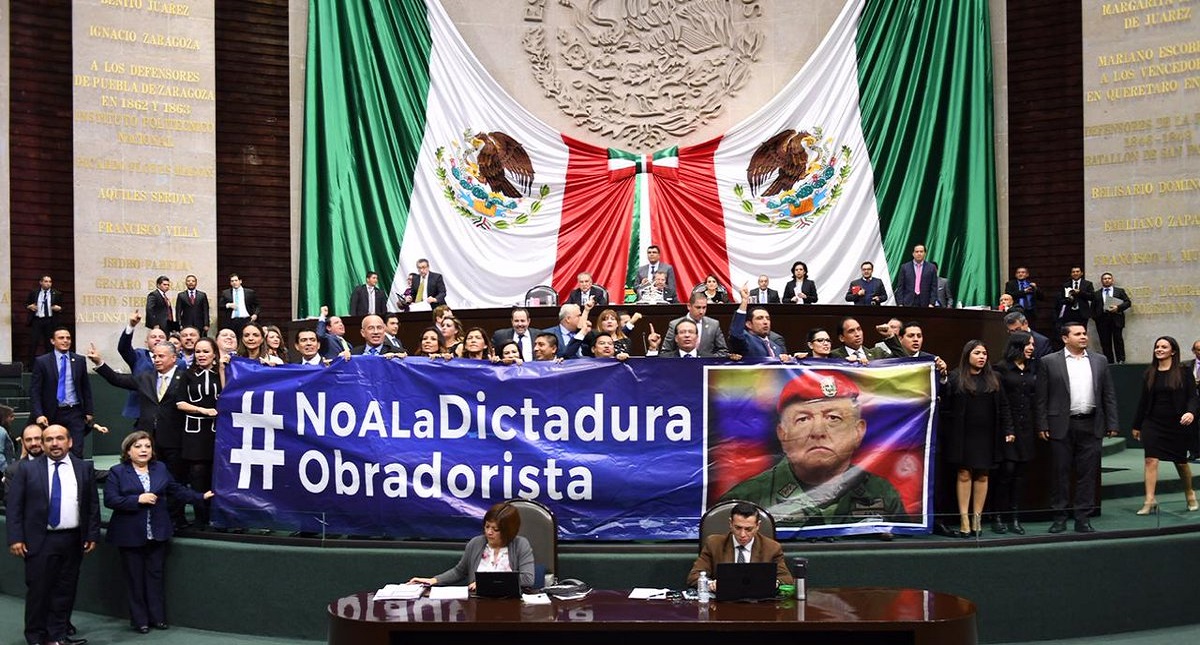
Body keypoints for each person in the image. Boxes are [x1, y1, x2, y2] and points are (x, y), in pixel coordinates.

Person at [720, 371, 908, 526]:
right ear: (782, 434)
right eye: (803, 419)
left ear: (858, 431)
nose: (818, 432)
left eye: (833, 418)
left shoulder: (882, 493)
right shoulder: (746, 498)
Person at [104, 431, 213, 633]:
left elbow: (176, 490)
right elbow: (110, 500)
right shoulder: (117, 471)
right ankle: (140, 621)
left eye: (147, 446)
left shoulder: (160, 468)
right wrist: (137, 499)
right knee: (135, 579)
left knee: (155, 576)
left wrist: (200, 497)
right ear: (128, 451)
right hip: (129, 534)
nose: (144, 450)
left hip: (157, 532)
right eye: (138, 446)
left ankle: (157, 618)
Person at [6, 424, 101, 645]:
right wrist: (15, 537)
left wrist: (92, 534)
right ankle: (36, 638)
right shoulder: (27, 469)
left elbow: (92, 505)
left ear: (70, 442)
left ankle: (58, 636)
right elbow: (14, 506)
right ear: (43, 443)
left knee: (65, 590)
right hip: (40, 540)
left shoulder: (83, 468)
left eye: (60, 438)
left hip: (73, 539)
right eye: (49, 439)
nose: (54, 443)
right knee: (39, 592)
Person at [90, 341, 190, 530]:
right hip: (149, 440)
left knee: (176, 479)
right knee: (151, 480)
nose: (156, 359)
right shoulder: (146, 377)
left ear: (173, 358)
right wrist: (99, 363)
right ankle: (153, 517)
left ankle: (177, 519)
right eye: (154, 356)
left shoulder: (185, 377)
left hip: (175, 439)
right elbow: (117, 379)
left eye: (161, 356)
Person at [1035, 321, 1119, 533]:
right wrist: (1042, 423)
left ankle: (1083, 518)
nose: (1083, 337)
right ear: (1065, 338)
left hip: (1091, 424)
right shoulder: (1049, 361)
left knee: (1088, 475)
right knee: (1060, 474)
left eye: (1084, 333)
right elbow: (1041, 398)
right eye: (1078, 334)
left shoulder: (1100, 360)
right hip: (1060, 425)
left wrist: (1112, 423)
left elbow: (1108, 394)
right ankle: (1059, 517)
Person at [941, 340, 1014, 537]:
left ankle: (977, 518)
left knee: (983, 475)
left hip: (987, 434)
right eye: (977, 353)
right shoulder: (956, 377)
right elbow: (945, 404)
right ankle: (964, 518)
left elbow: (1004, 406)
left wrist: (1009, 429)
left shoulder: (994, 378)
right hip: (963, 434)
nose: (982, 357)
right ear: (967, 355)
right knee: (964, 474)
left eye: (984, 353)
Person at [1130, 336, 1198, 515]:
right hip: (1153, 422)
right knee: (1150, 460)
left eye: (1164, 347)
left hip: (1177, 423)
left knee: (1181, 462)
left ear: (1173, 351)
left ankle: (1189, 492)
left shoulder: (1184, 372)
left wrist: (1191, 412)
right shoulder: (1150, 373)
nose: (1159, 349)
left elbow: (1193, 397)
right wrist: (1137, 425)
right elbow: (1143, 401)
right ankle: (1149, 500)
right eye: (1157, 346)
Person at [407, 502, 536, 589]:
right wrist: (433, 580)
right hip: (478, 602)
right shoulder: (476, 543)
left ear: (508, 531)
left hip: (511, 603)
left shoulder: (520, 544)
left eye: (495, 529)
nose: (489, 532)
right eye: (487, 526)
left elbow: (528, 579)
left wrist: (487, 583)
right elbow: (459, 572)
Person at [686, 501, 793, 590]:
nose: (742, 534)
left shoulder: (772, 548)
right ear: (730, 524)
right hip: (723, 603)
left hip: (758, 604)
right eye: (738, 528)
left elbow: (786, 579)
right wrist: (711, 584)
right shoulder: (714, 544)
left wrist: (773, 583)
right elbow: (693, 577)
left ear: (758, 526)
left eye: (748, 529)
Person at [993, 332, 1037, 534]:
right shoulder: (1001, 369)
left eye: (1033, 344)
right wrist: (1008, 427)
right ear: (1017, 345)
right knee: (1006, 472)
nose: (1031, 348)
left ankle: (1015, 517)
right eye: (1028, 344)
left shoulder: (1032, 368)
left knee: (1020, 474)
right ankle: (997, 516)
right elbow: (1001, 403)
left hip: (1026, 427)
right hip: (1007, 429)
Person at [176, 337, 223, 525]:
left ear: (214, 354)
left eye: (205, 351)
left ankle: (216, 516)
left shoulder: (221, 373)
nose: (201, 355)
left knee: (215, 472)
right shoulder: (187, 374)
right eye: (198, 352)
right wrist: (203, 410)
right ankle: (200, 517)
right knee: (197, 473)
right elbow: (180, 403)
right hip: (194, 433)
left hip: (217, 431)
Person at [30, 327, 95, 459]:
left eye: (68, 338)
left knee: (76, 450)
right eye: (61, 338)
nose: (65, 341)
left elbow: (85, 387)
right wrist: (39, 414)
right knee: (52, 449)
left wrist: (89, 411)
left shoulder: (79, 360)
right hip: (52, 412)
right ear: (52, 341)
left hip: (74, 411)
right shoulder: (42, 361)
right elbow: (35, 391)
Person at [117, 311, 166, 427]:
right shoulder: (138, 356)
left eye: (161, 337)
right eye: (153, 337)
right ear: (146, 342)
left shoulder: (177, 361)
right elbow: (123, 348)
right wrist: (131, 326)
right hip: (142, 413)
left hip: (166, 415)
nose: (157, 339)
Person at [729, 284, 789, 360]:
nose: (765, 322)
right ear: (749, 324)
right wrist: (744, 301)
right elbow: (736, 332)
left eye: (768, 318)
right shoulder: (746, 340)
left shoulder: (777, 347)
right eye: (760, 318)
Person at [662, 292, 728, 358]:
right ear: (689, 306)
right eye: (698, 307)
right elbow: (666, 352)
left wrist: (709, 359)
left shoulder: (713, 324)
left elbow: (723, 351)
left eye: (704, 307)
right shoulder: (675, 324)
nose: (701, 311)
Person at [1092, 272, 1131, 364]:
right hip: (1102, 321)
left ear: (1112, 280)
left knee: (1118, 341)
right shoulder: (1096, 294)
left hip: (1116, 319)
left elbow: (1128, 302)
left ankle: (1121, 360)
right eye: (1105, 279)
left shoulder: (1119, 291)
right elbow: (1093, 308)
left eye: (1109, 278)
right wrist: (1096, 318)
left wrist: (1118, 308)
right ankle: (1109, 362)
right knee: (1105, 342)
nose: (1107, 280)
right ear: (1102, 281)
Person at [25, 275, 64, 366]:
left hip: (50, 321)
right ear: (41, 282)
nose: (48, 283)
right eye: (46, 281)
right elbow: (26, 303)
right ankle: (31, 366)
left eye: (50, 282)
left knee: (49, 343)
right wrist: (29, 306)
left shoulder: (56, 293)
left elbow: (63, 307)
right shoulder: (34, 292)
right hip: (37, 320)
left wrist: (59, 308)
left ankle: (49, 365)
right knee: (33, 342)